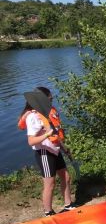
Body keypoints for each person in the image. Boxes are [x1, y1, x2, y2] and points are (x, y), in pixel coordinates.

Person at [18, 87, 76, 217]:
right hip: (44, 152)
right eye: (50, 98)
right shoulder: (33, 116)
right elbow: (31, 141)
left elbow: (55, 135)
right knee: (50, 183)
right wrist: (47, 134)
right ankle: (48, 212)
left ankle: (68, 205)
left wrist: (63, 147)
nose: (52, 100)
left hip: (55, 150)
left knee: (66, 177)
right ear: (42, 100)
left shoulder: (49, 113)